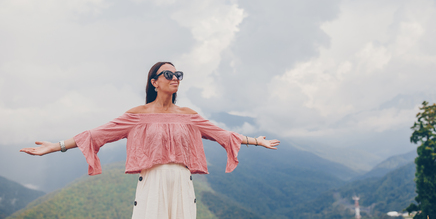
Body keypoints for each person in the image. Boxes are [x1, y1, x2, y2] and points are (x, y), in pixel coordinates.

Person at [20, 61, 280, 219]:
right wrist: (56, 147)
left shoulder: (189, 116)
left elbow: (222, 134)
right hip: (152, 181)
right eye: (168, 74)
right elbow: (96, 134)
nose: (175, 78)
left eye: (178, 74)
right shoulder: (137, 115)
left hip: (181, 182)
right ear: (154, 82)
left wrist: (256, 140)